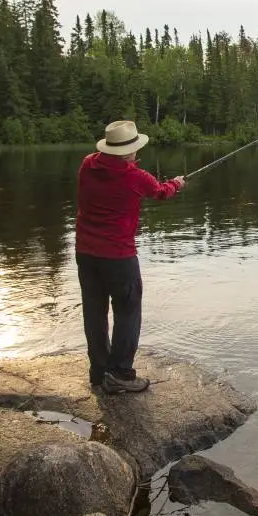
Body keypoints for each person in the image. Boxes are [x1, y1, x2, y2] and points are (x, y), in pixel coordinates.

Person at [75, 120, 185, 394]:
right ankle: (121, 373)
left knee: (94, 312)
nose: (138, 155)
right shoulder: (136, 177)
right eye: (135, 150)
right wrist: (177, 183)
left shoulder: (88, 164)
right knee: (127, 311)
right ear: (127, 153)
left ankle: (99, 372)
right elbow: (161, 192)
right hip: (118, 257)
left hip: (86, 253)